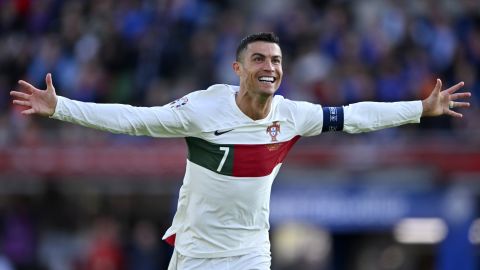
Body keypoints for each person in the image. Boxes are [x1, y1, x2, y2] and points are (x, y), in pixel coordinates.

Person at [10, 32, 471, 270]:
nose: (269, 66)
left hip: (250, 251)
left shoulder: (292, 115)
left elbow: (355, 116)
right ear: (238, 68)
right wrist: (61, 107)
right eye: (259, 59)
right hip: (193, 250)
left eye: (275, 60)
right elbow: (134, 119)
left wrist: (419, 108)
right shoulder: (201, 109)